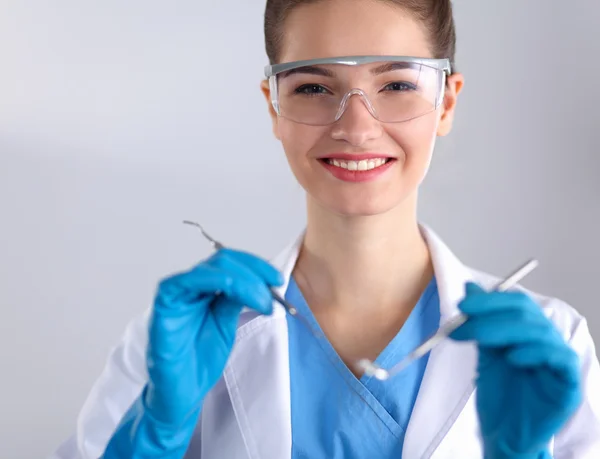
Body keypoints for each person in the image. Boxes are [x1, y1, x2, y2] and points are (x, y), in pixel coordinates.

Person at [51, 0, 600, 458]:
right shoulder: (183, 337)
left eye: (397, 85)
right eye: (314, 88)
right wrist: (151, 435)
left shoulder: (552, 344)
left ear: (446, 101)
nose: (357, 127)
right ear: (274, 105)